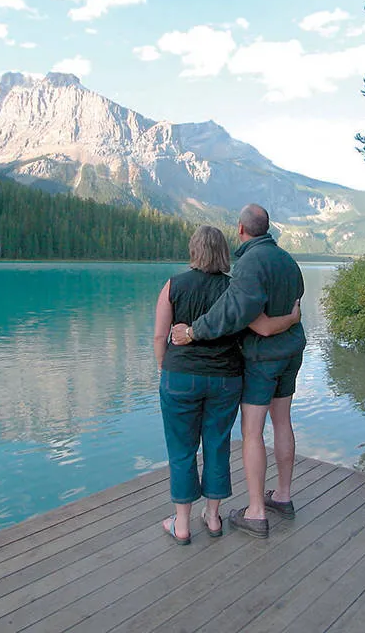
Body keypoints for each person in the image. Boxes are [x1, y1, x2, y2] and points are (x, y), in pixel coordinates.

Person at [154, 225, 300, 545]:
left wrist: (167, 369)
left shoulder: (173, 286)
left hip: (180, 378)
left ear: (194, 250)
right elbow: (258, 327)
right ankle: (213, 516)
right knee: (218, 445)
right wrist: (291, 320)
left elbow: (159, 336)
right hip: (225, 379)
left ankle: (181, 524)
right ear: (223, 251)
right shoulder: (234, 289)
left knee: (182, 450)